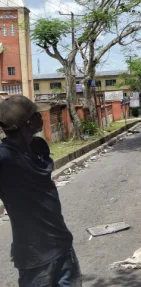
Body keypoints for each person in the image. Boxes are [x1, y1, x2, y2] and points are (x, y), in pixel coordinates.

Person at [0, 96, 81, 287]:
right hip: (35, 259)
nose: (41, 117)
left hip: (62, 246)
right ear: (29, 122)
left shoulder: (37, 147)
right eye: (37, 115)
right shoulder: (5, 157)